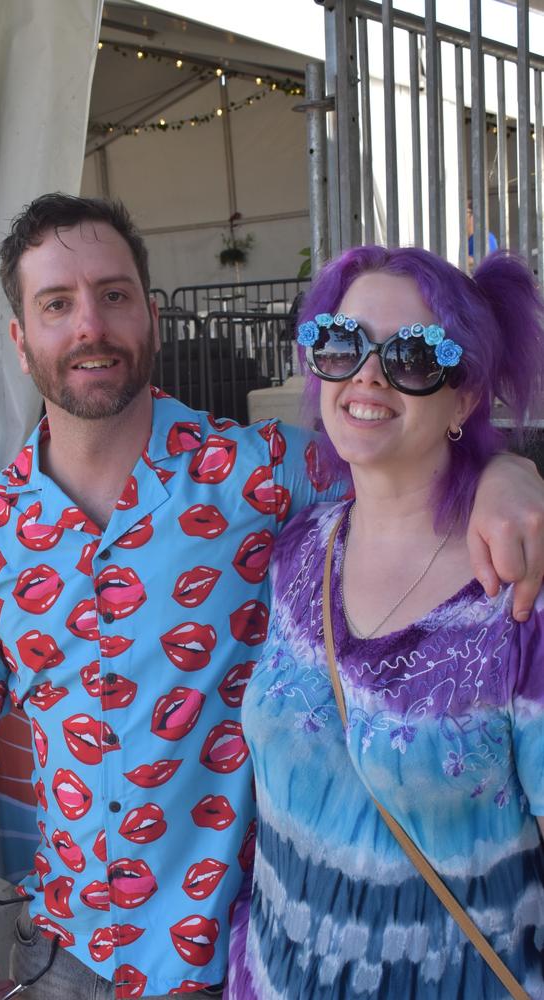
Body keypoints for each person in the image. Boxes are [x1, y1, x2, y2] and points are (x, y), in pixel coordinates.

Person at [0, 196, 543, 1000]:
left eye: (115, 294)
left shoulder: (264, 475)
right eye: (57, 304)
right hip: (65, 957)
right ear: (21, 342)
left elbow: (399, 451)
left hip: (224, 965)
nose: (91, 324)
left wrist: (507, 475)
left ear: (153, 319)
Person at [227, 246, 544, 999]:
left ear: (464, 398)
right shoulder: (300, 550)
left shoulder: (518, 594)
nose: (367, 375)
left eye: (412, 356)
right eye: (342, 343)